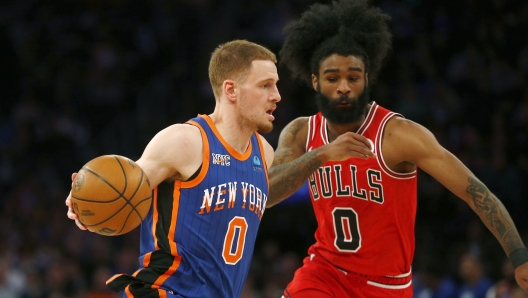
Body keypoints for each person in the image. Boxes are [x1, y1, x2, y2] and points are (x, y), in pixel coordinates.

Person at [265, 0, 528, 297]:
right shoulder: (301, 131)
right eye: (332, 78)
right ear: (315, 81)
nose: (343, 87)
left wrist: (519, 257)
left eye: (353, 77)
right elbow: (267, 194)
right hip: (324, 273)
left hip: (386, 285)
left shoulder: (397, 134)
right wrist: (321, 155)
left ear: (366, 79)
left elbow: (475, 191)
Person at [65, 39, 281, 297]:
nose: (276, 95)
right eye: (265, 85)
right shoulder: (185, 141)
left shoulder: (264, 154)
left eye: (275, 85)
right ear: (231, 90)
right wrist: (87, 197)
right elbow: (126, 183)